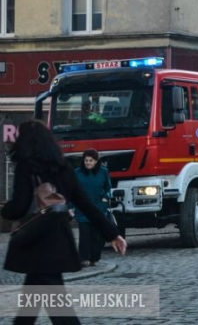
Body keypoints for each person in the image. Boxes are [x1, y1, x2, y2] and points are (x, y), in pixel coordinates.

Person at [0, 120, 127, 324]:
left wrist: (5, 209)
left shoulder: (27, 167)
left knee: (54, 310)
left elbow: (20, 206)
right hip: (58, 241)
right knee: (32, 305)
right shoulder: (64, 168)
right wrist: (112, 234)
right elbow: (87, 205)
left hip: (36, 242)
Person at [73, 149, 112, 267]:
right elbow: (72, 190)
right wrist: (70, 206)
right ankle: (83, 258)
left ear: (96, 161)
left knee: (97, 236)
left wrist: (106, 197)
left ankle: (94, 258)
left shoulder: (103, 172)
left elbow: (108, 187)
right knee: (84, 235)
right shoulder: (77, 173)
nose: (88, 163)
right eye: (86, 161)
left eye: (91, 161)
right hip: (82, 209)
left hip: (99, 207)